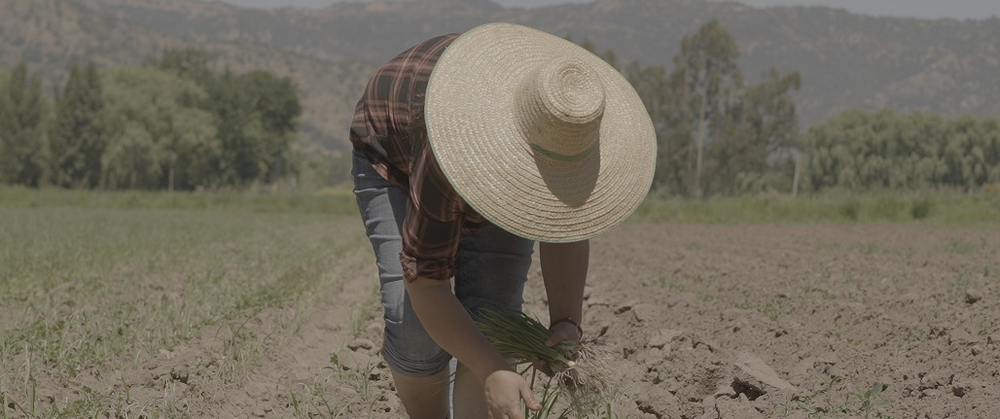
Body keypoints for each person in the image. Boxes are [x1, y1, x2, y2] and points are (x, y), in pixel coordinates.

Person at [349, 22, 655, 419]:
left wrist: (566, 320)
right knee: (413, 334)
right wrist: (494, 369)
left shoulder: (567, 134)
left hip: (484, 142)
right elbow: (426, 281)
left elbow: (565, 225)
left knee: (492, 319)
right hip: (394, 150)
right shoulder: (449, 149)